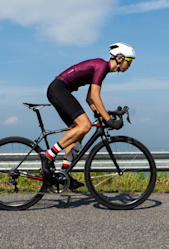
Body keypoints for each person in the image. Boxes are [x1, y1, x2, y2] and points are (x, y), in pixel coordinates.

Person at [41, 42, 136, 187]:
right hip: (58, 89)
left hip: (60, 90)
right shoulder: (102, 67)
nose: (129, 65)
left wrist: (100, 114)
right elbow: (95, 96)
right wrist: (109, 120)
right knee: (85, 125)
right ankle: (48, 156)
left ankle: (64, 175)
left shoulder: (102, 68)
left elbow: (89, 98)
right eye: (129, 61)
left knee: (78, 133)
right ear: (119, 58)